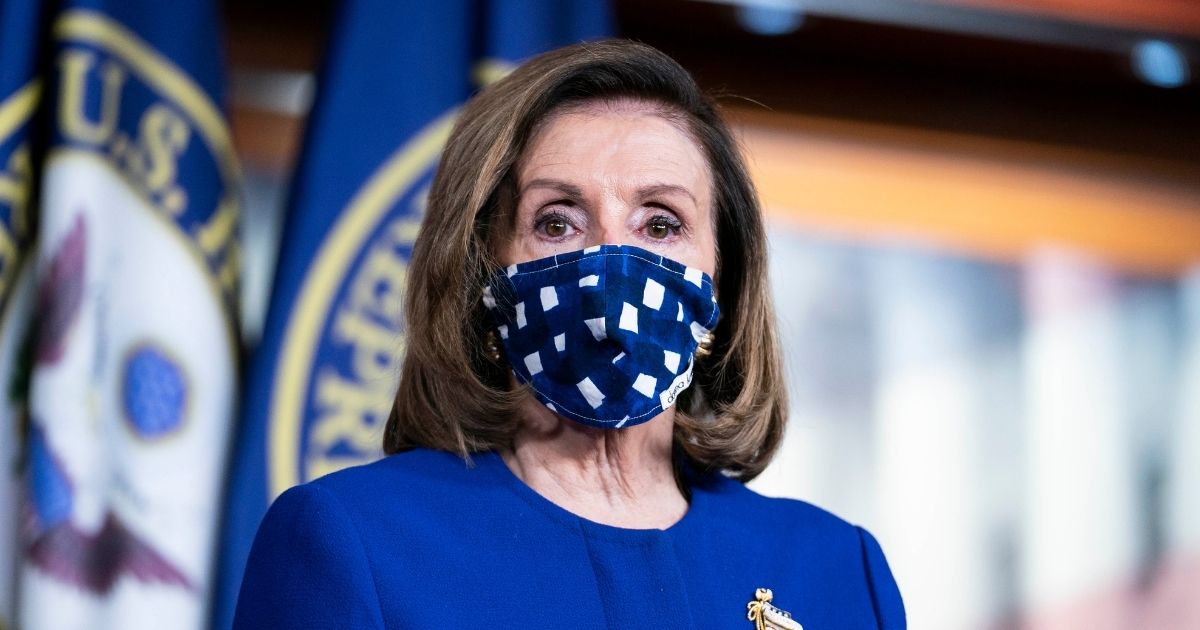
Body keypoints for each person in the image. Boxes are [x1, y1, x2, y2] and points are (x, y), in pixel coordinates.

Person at [233, 40, 905, 629]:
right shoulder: (354, 542)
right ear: (483, 270)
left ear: (725, 281)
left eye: (661, 223)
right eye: (557, 222)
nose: (611, 263)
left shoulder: (837, 571)